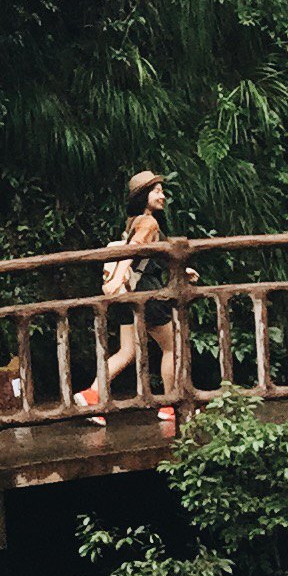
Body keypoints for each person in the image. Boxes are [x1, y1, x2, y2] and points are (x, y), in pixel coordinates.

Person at [76, 172, 185, 430]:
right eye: (156, 191)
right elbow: (133, 251)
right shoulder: (149, 223)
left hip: (128, 294)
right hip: (147, 294)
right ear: (143, 197)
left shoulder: (132, 221)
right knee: (173, 346)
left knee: (127, 351)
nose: (162, 196)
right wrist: (122, 272)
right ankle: (170, 405)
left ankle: (92, 395)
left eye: (162, 190)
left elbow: (149, 255)